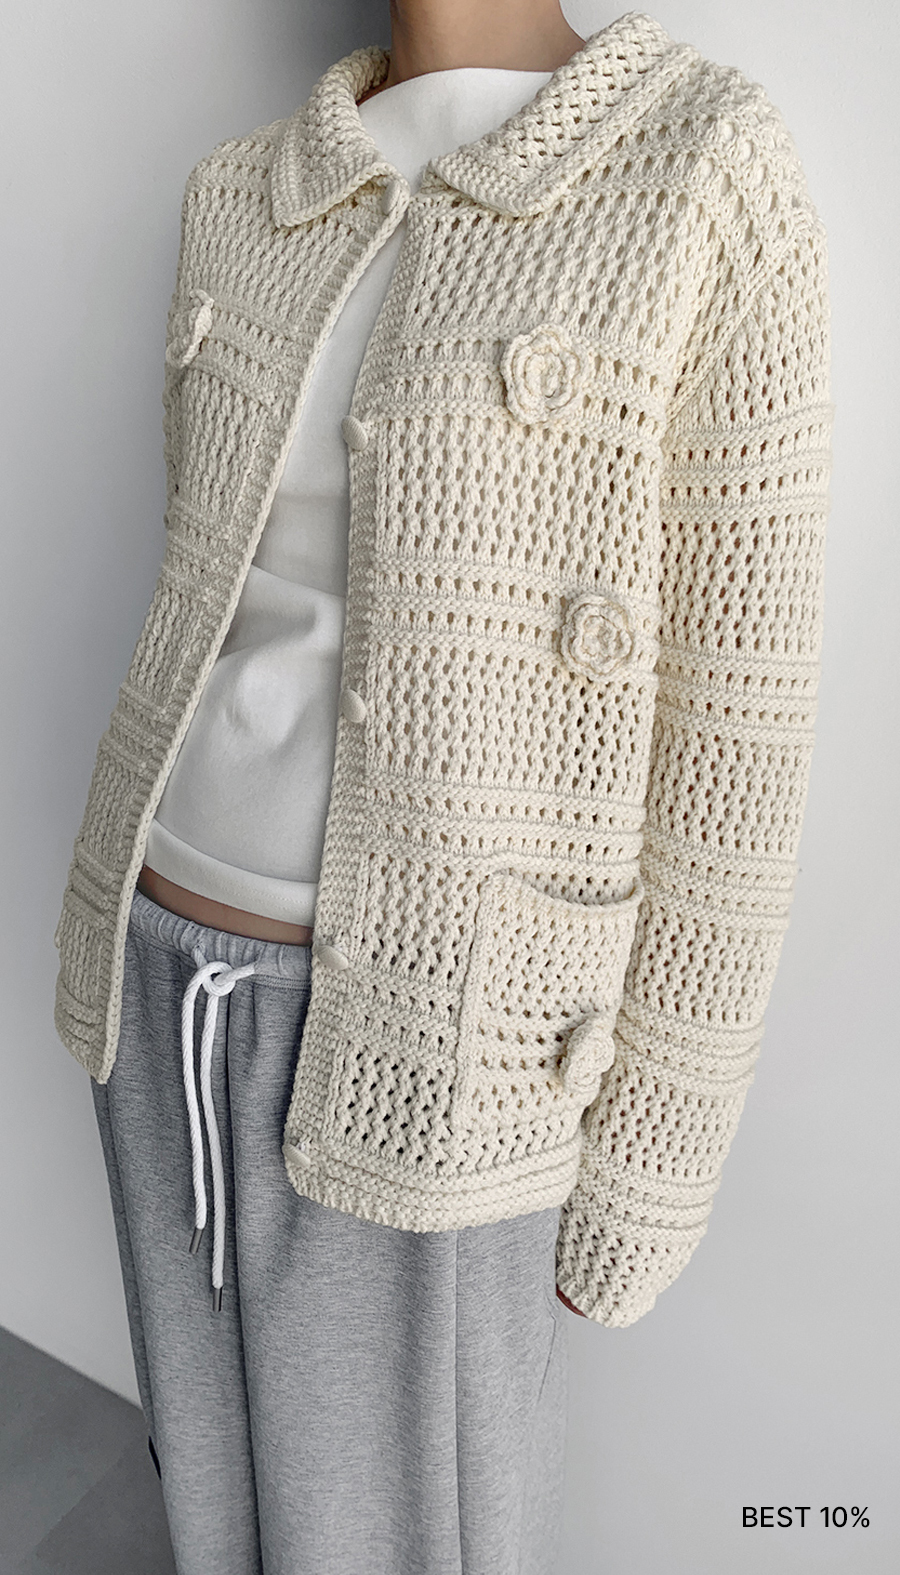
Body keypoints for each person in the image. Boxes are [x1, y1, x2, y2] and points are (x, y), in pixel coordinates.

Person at [53, 2, 832, 1570]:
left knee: (401, 1539)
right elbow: (214, 595)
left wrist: (653, 1161)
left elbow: (739, 730)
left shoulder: (699, 167)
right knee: (207, 1504)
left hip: (450, 1033)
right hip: (156, 961)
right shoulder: (246, 189)